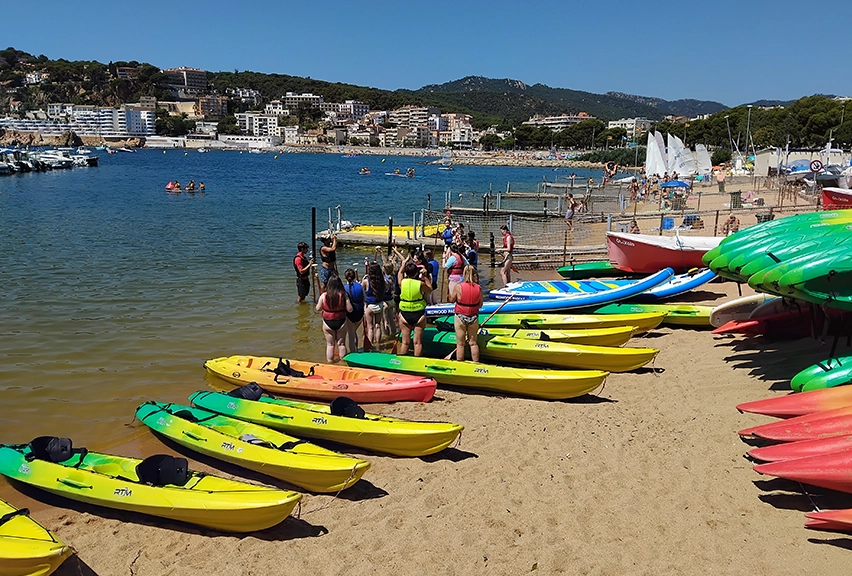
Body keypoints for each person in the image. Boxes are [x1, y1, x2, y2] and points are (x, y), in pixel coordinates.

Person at [449, 265, 484, 362]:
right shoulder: (479, 288)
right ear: (474, 275)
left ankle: (460, 363)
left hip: (460, 316)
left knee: (460, 344)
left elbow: (452, 300)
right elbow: (480, 305)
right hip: (473, 317)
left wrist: (449, 294)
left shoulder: (458, 287)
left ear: (464, 274)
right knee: (473, 343)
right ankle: (476, 363)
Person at [397, 261, 432, 356]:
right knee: (417, 342)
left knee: (405, 342)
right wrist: (425, 277)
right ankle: (417, 363)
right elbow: (430, 289)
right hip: (418, 314)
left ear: (406, 273)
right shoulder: (420, 284)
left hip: (404, 313)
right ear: (417, 273)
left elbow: (399, 273)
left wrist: (403, 263)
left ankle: (402, 362)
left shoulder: (402, 282)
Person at [316, 274, 353, 363]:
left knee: (330, 345)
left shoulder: (324, 295)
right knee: (341, 344)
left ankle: (330, 363)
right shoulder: (344, 295)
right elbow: (350, 309)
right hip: (341, 321)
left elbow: (318, 308)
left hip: (328, 322)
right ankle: (343, 362)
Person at [361, 262, 386, 344]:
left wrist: (362, 280)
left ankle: (371, 344)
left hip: (370, 306)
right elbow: (386, 289)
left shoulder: (366, 282)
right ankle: (378, 343)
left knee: (370, 327)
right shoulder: (383, 281)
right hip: (379, 305)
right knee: (378, 325)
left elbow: (362, 291)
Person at [343, 268, 364, 352]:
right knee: (353, 331)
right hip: (360, 312)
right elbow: (364, 298)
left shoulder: (344, 288)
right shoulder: (360, 286)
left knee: (351, 335)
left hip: (350, 314)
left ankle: (353, 352)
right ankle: (356, 348)